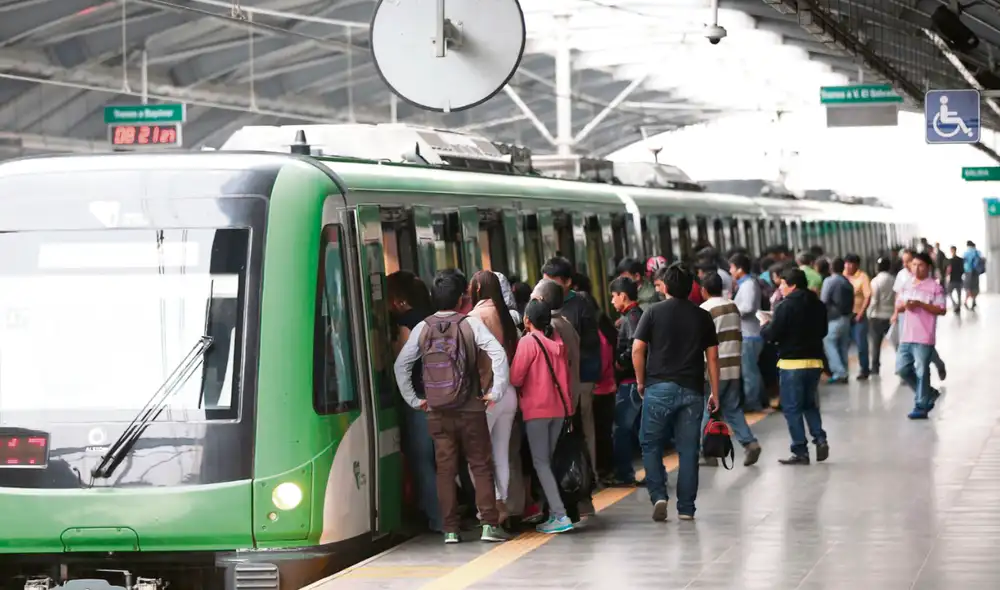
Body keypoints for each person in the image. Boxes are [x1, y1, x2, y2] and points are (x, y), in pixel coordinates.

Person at [393, 271, 512, 544]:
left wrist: (414, 399)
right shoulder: (470, 325)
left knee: (445, 469)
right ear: (461, 299)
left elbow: (401, 366)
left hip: (437, 410)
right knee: (480, 465)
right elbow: (498, 354)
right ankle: (488, 526)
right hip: (470, 407)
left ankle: (450, 530)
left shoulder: (423, 327)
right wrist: (496, 390)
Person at [632, 263, 721, 522]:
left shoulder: (652, 313)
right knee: (688, 450)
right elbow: (713, 358)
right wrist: (715, 392)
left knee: (651, 444)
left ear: (666, 287)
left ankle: (659, 495)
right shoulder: (702, 316)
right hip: (692, 390)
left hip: (658, 387)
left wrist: (641, 381)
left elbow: (638, 350)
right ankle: (686, 509)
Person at [509, 299, 575, 534]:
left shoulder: (528, 342)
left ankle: (560, 515)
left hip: (536, 411)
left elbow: (516, 378)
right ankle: (554, 513)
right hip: (559, 410)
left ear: (527, 320)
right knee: (547, 462)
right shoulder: (557, 343)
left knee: (541, 463)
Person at [386, 271, 440, 533]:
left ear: (398, 300)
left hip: (421, 401)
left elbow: (401, 363)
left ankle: (437, 517)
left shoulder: (407, 324)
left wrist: (411, 399)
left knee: (422, 461)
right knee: (444, 461)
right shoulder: (435, 319)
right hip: (444, 397)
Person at [541, 257, 601, 488]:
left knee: (584, 430)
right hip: (554, 382)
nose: (547, 288)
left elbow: (590, 344)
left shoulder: (581, 304)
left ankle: (588, 477)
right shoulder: (542, 305)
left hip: (580, 378)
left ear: (567, 282)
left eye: (552, 283)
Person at [761, 267, 829, 465]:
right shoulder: (818, 305)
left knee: (792, 408)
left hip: (792, 364)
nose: (780, 288)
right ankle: (820, 438)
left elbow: (773, 334)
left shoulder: (785, 306)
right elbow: (823, 331)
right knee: (810, 404)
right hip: (815, 362)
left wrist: (765, 325)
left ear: (792, 285)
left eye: (782, 284)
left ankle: (800, 449)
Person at [468, 271, 520, 524]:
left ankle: (488, 509)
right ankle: (502, 503)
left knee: (477, 456)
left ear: (477, 287)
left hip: (487, 395)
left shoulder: (475, 317)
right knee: (501, 453)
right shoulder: (508, 316)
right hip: (508, 393)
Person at [699, 271, 762, 466]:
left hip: (714, 369)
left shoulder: (704, 309)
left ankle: (706, 452)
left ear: (704, 290)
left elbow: (702, 342)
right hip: (734, 365)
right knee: (732, 408)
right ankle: (750, 443)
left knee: (707, 410)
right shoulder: (732, 306)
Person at [895, 252, 946, 420]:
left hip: (924, 336)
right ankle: (929, 393)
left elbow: (941, 309)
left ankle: (921, 406)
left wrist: (921, 304)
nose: (916, 268)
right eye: (914, 265)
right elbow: (899, 305)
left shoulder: (935, 287)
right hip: (906, 335)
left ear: (928, 267)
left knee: (922, 371)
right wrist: (905, 306)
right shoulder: (906, 284)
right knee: (902, 369)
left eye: (920, 265)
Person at [608, 276, 644, 486]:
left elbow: (634, 348)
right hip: (635, 381)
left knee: (621, 429)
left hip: (630, 382)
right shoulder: (636, 316)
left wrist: (620, 363)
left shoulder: (631, 318)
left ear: (623, 295)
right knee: (641, 430)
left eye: (614, 296)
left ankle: (624, 474)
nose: (612, 301)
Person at [729, 252, 765, 412]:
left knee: (750, 372)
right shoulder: (745, 284)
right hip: (747, 333)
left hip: (749, 334)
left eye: (732, 267)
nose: (730, 271)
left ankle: (753, 402)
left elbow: (749, 307)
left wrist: (731, 309)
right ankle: (757, 399)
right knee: (751, 370)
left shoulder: (749, 284)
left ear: (739, 269)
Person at [820, 258, 854, 384]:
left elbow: (824, 300)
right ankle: (844, 371)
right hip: (846, 318)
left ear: (831, 268)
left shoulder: (829, 281)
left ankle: (839, 372)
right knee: (843, 346)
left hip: (834, 318)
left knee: (829, 343)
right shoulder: (847, 281)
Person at [843, 254, 872, 380]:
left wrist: (861, 313)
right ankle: (843, 371)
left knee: (861, 344)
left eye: (851, 263)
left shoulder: (863, 277)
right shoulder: (842, 275)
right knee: (844, 344)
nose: (848, 266)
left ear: (857, 265)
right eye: (846, 263)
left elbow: (868, 296)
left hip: (858, 315)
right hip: (845, 315)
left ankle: (864, 369)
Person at [867, 257, 895, 376]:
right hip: (891, 316)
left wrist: (869, 313)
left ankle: (875, 368)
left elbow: (874, 300)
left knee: (875, 344)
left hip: (877, 316)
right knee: (896, 343)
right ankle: (902, 365)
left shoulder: (875, 281)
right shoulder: (894, 280)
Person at [962, 240, 983, 310]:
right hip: (976, 273)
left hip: (968, 272)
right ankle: (973, 301)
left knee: (968, 288)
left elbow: (964, 263)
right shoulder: (977, 252)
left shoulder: (966, 253)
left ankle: (966, 301)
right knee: (975, 288)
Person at [946, 245, 964, 313]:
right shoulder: (961, 260)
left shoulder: (950, 261)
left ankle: (955, 305)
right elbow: (963, 270)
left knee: (949, 292)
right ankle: (957, 306)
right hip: (958, 279)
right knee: (958, 294)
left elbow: (948, 270)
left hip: (953, 279)